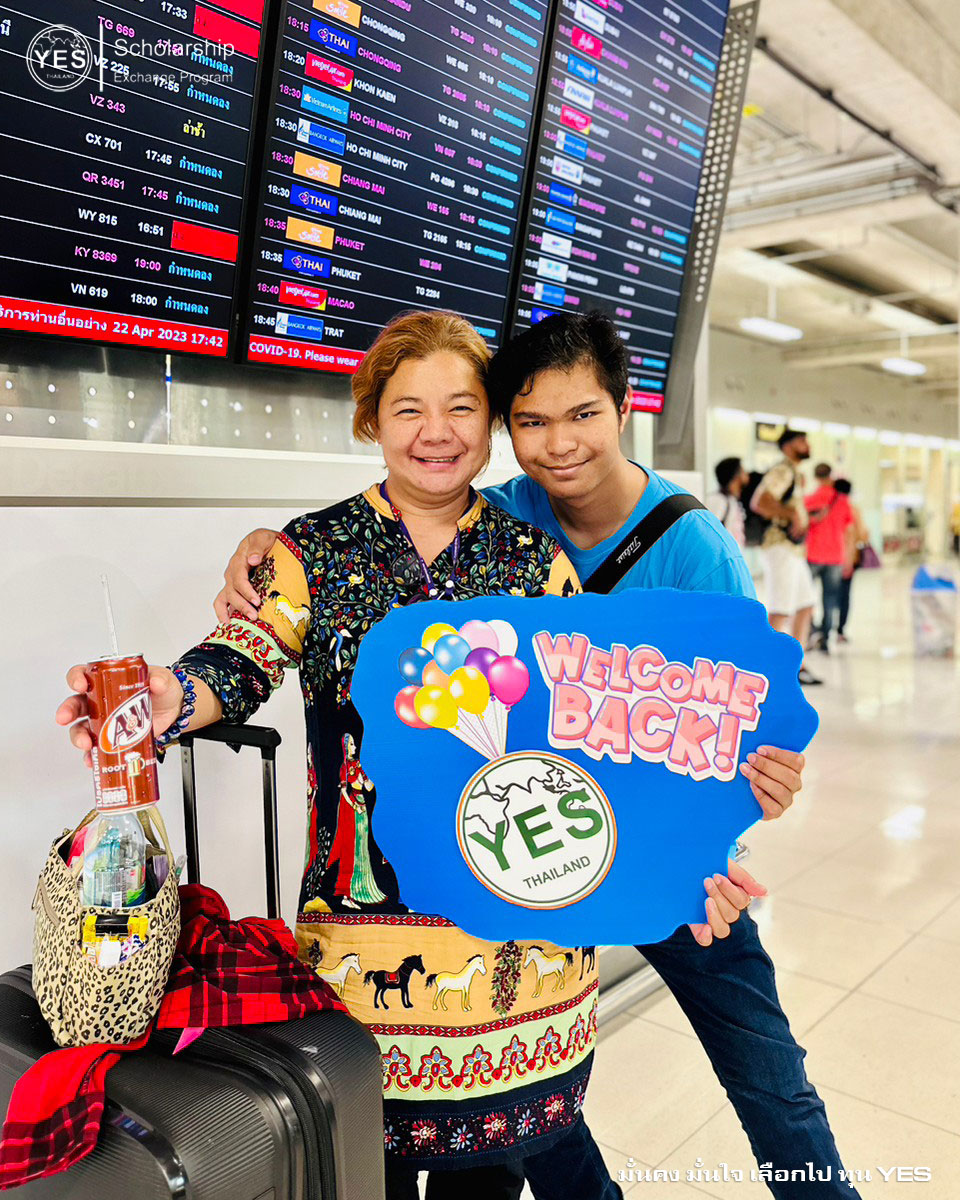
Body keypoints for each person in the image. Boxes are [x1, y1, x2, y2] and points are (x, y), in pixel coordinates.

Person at [56, 311, 758, 1200]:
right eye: (408, 409)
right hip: (363, 945)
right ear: (371, 420)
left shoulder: (536, 562)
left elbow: (594, 747)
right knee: (367, 1173)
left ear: (489, 423)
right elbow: (241, 659)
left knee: (491, 1184)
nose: (437, 432)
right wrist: (170, 698)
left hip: (519, 955)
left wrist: (691, 855)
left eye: (461, 408)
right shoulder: (311, 551)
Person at [217, 310, 859, 1199]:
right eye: (532, 421)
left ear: (623, 410)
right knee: (528, 1096)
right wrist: (264, 550)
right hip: (542, 855)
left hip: (666, 863)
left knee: (768, 1078)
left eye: (583, 414)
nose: (559, 444)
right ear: (505, 429)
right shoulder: (510, 515)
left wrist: (753, 805)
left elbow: (741, 738)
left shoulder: (694, 551)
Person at [750, 430, 822, 685]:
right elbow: (760, 502)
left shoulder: (793, 472)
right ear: (788, 446)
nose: (807, 445)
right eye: (802, 441)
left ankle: (795, 665)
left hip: (793, 549)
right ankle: (769, 668)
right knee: (781, 608)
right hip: (779, 546)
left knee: (806, 604)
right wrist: (791, 515)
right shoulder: (782, 470)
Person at [805, 464, 853, 653]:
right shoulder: (842, 500)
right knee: (830, 599)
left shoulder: (810, 498)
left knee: (806, 598)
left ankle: (811, 633)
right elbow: (849, 531)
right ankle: (825, 638)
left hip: (812, 555)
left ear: (815, 477)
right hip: (835, 557)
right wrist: (848, 557)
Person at [835, 478, 868, 643]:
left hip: (826, 558)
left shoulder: (827, 507)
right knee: (844, 595)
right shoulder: (853, 509)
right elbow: (863, 534)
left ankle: (822, 630)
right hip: (848, 558)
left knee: (827, 595)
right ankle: (840, 630)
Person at [706, 456, 749, 546]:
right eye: (743, 471)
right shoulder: (718, 500)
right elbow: (708, 531)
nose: (747, 474)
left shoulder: (731, 501)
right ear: (736, 476)